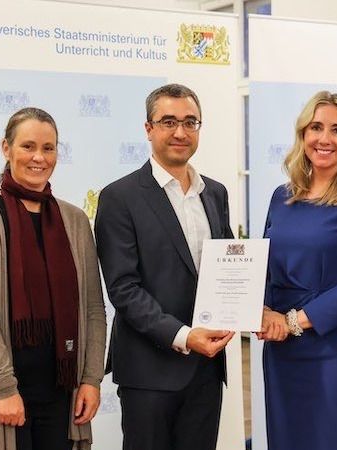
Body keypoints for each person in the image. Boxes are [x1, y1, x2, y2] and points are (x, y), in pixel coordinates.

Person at [0, 107, 107, 450]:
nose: (39, 158)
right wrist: (4, 388)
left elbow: (94, 308)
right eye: (28, 146)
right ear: (6, 148)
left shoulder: (75, 220)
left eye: (48, 148)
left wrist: (91, 379)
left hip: (62, 393)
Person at [95, 83, 236, 450]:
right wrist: (183, 335)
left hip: (206, 370)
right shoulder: (119, 197)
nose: (180, 132)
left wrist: (246, 307)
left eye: (190, 122)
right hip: (149, 374)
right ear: (148, 128)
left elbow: (229, 267)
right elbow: (123, 288)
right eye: (168, 121)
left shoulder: (215, 193)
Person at [257, 91, 337, 450]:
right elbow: (264, 266)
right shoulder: (281, 196)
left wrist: (294, 321)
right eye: (316, 127)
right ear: (303, 135)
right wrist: (263, 311)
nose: (324, 138)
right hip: (283, 352)